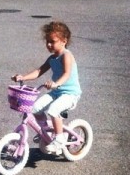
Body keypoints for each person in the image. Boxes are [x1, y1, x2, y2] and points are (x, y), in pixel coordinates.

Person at [11, 21, 82, 155]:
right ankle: (45, 131)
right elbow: (39, 71)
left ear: (64, 41)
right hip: (56, 92)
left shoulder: (67, 55)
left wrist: (56, 83)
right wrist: (23, 77)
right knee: (34, 108)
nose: (49, 44)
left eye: (52, 41)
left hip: (70, 94)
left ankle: (59, 140)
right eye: (47, 41)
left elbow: (66, 74)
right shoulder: (52, 58)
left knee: (54, 110)